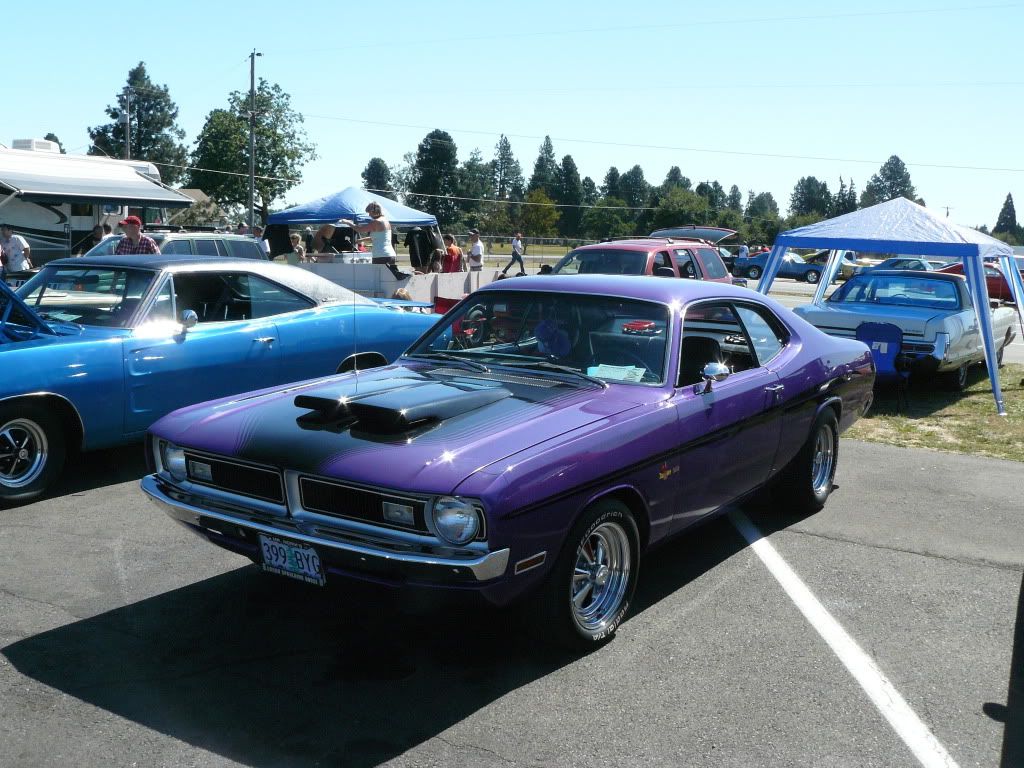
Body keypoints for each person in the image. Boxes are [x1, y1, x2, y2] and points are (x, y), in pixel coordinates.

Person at [351, 201, 407, 278]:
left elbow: (359, 229)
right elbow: (377, 237)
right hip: (391, 254)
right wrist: (360, 240)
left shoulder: (376, 222)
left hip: (380, 256)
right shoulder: (386, 221)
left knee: (378, 281)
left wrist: (348, 223)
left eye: (369, 212)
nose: (369, 215)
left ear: (374, 211)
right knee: (390, 280)